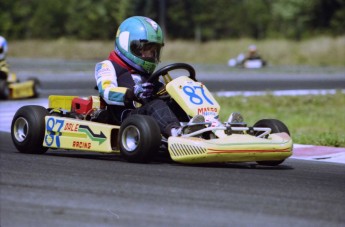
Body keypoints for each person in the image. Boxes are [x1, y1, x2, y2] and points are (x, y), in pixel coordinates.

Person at [94, 16, 203, 138]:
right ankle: (176, 133)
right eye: (145, 49)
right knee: (155, 105)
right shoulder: (107, 66)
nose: (150, 55)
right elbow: (106, 92)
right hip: (125, 116)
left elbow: (161, 93)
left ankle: (203, 129)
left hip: (145, 116)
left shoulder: (146, 74)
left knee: (175, 102)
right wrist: (133, 93)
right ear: (127, 44)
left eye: (154, 50)